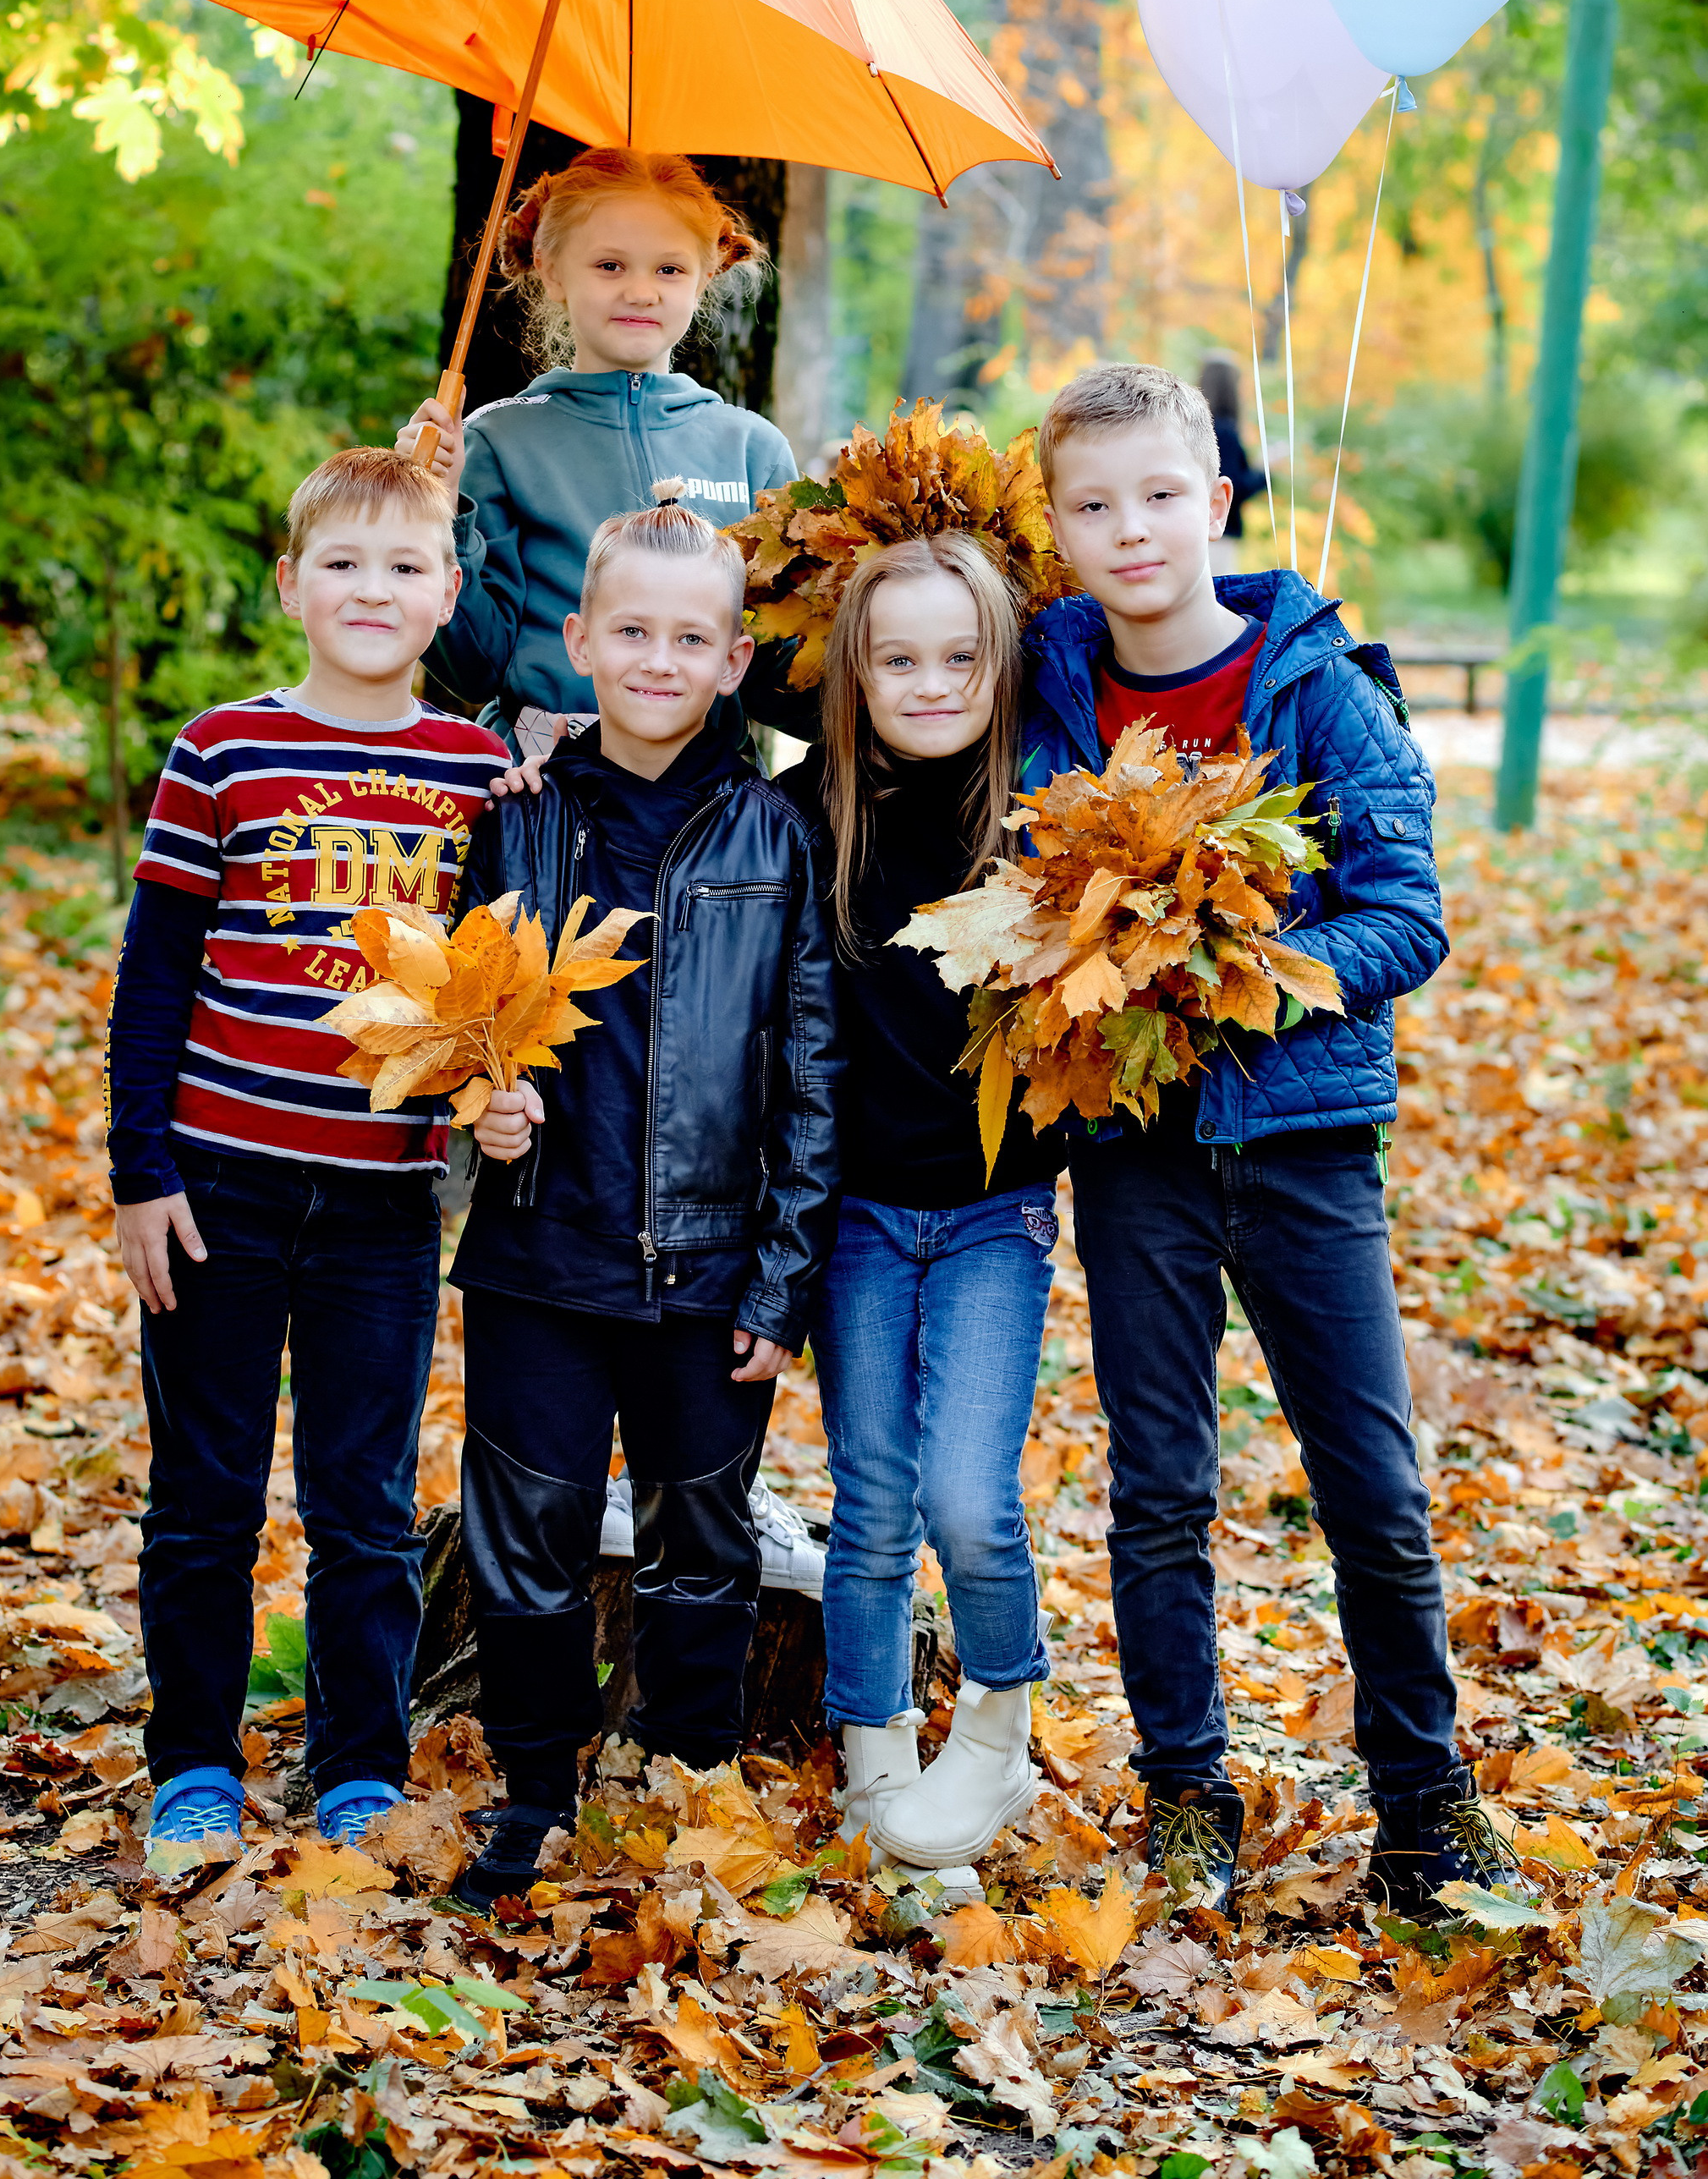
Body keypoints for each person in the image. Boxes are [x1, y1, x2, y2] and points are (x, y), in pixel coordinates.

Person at [1020, 363, 1524, 1922]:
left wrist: (1258, 980)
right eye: (1094, 507)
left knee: (1368, 1480)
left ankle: (1426, 1804)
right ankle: (1187, 1793)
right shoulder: (1038, 678)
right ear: (1057, 528)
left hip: (1303, 1133)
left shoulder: (1314, 684)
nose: (1133, 530)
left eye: (1161, 496)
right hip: (1135, 1144)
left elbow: (1410, 912)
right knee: (1161, 1481)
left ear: (1216, 502)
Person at [109, 449, 508, 1867]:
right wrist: (138, 1174)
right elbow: (155, 977)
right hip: (217, 1183)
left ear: (447, 596)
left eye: (407, 567)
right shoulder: (221, 751)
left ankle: (357, 1763)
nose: (374, 590)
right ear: (291, 584)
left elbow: (497, 987)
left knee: (363, 1503)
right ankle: (193, 1762)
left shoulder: (477, 775)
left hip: (386, 1204)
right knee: (205, 1497)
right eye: (343, 563)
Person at [446, 487, 842, 1912]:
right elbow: (455, 1007)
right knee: (529, 1537)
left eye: (692, 639)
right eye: (633, 633)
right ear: (580, 642)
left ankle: (688, 1779)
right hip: (539, 1255)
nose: (660, 662)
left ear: (736, 660)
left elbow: (810, 1077)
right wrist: (477, 1099)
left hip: (710, 1267)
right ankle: (536, 1787)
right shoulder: (523, 816)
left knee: (702, 1548)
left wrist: (783, 1283)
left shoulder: (773, 838)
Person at [777, 536, 1064, 1871]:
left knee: (968, 1494)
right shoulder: (810, 816)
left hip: (996, 1213)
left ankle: (1000, 1735)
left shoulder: (1045, 818)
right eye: (899, 659)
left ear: (1002, 664)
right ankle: (873, 1758)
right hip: (858, 1221)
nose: (931, 681)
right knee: (873, 1499)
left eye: (960, 656)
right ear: (854, 673)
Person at [396, 147, 802, 758]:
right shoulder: (496, 443)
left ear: (705, 275)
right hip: (543, 792)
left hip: (711, 804)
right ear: (553, 271)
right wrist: (437, 514)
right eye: (610, 265)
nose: (641, 291)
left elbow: (783, 680)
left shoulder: (753, 450)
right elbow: (475, 664)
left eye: (669, 270)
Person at [1197, 354, 1267, 576]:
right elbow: (1232, 486)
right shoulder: (1224, 431)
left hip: (1200, 529)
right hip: (1219, 532)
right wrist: (1264, 472)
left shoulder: (1196, 429)